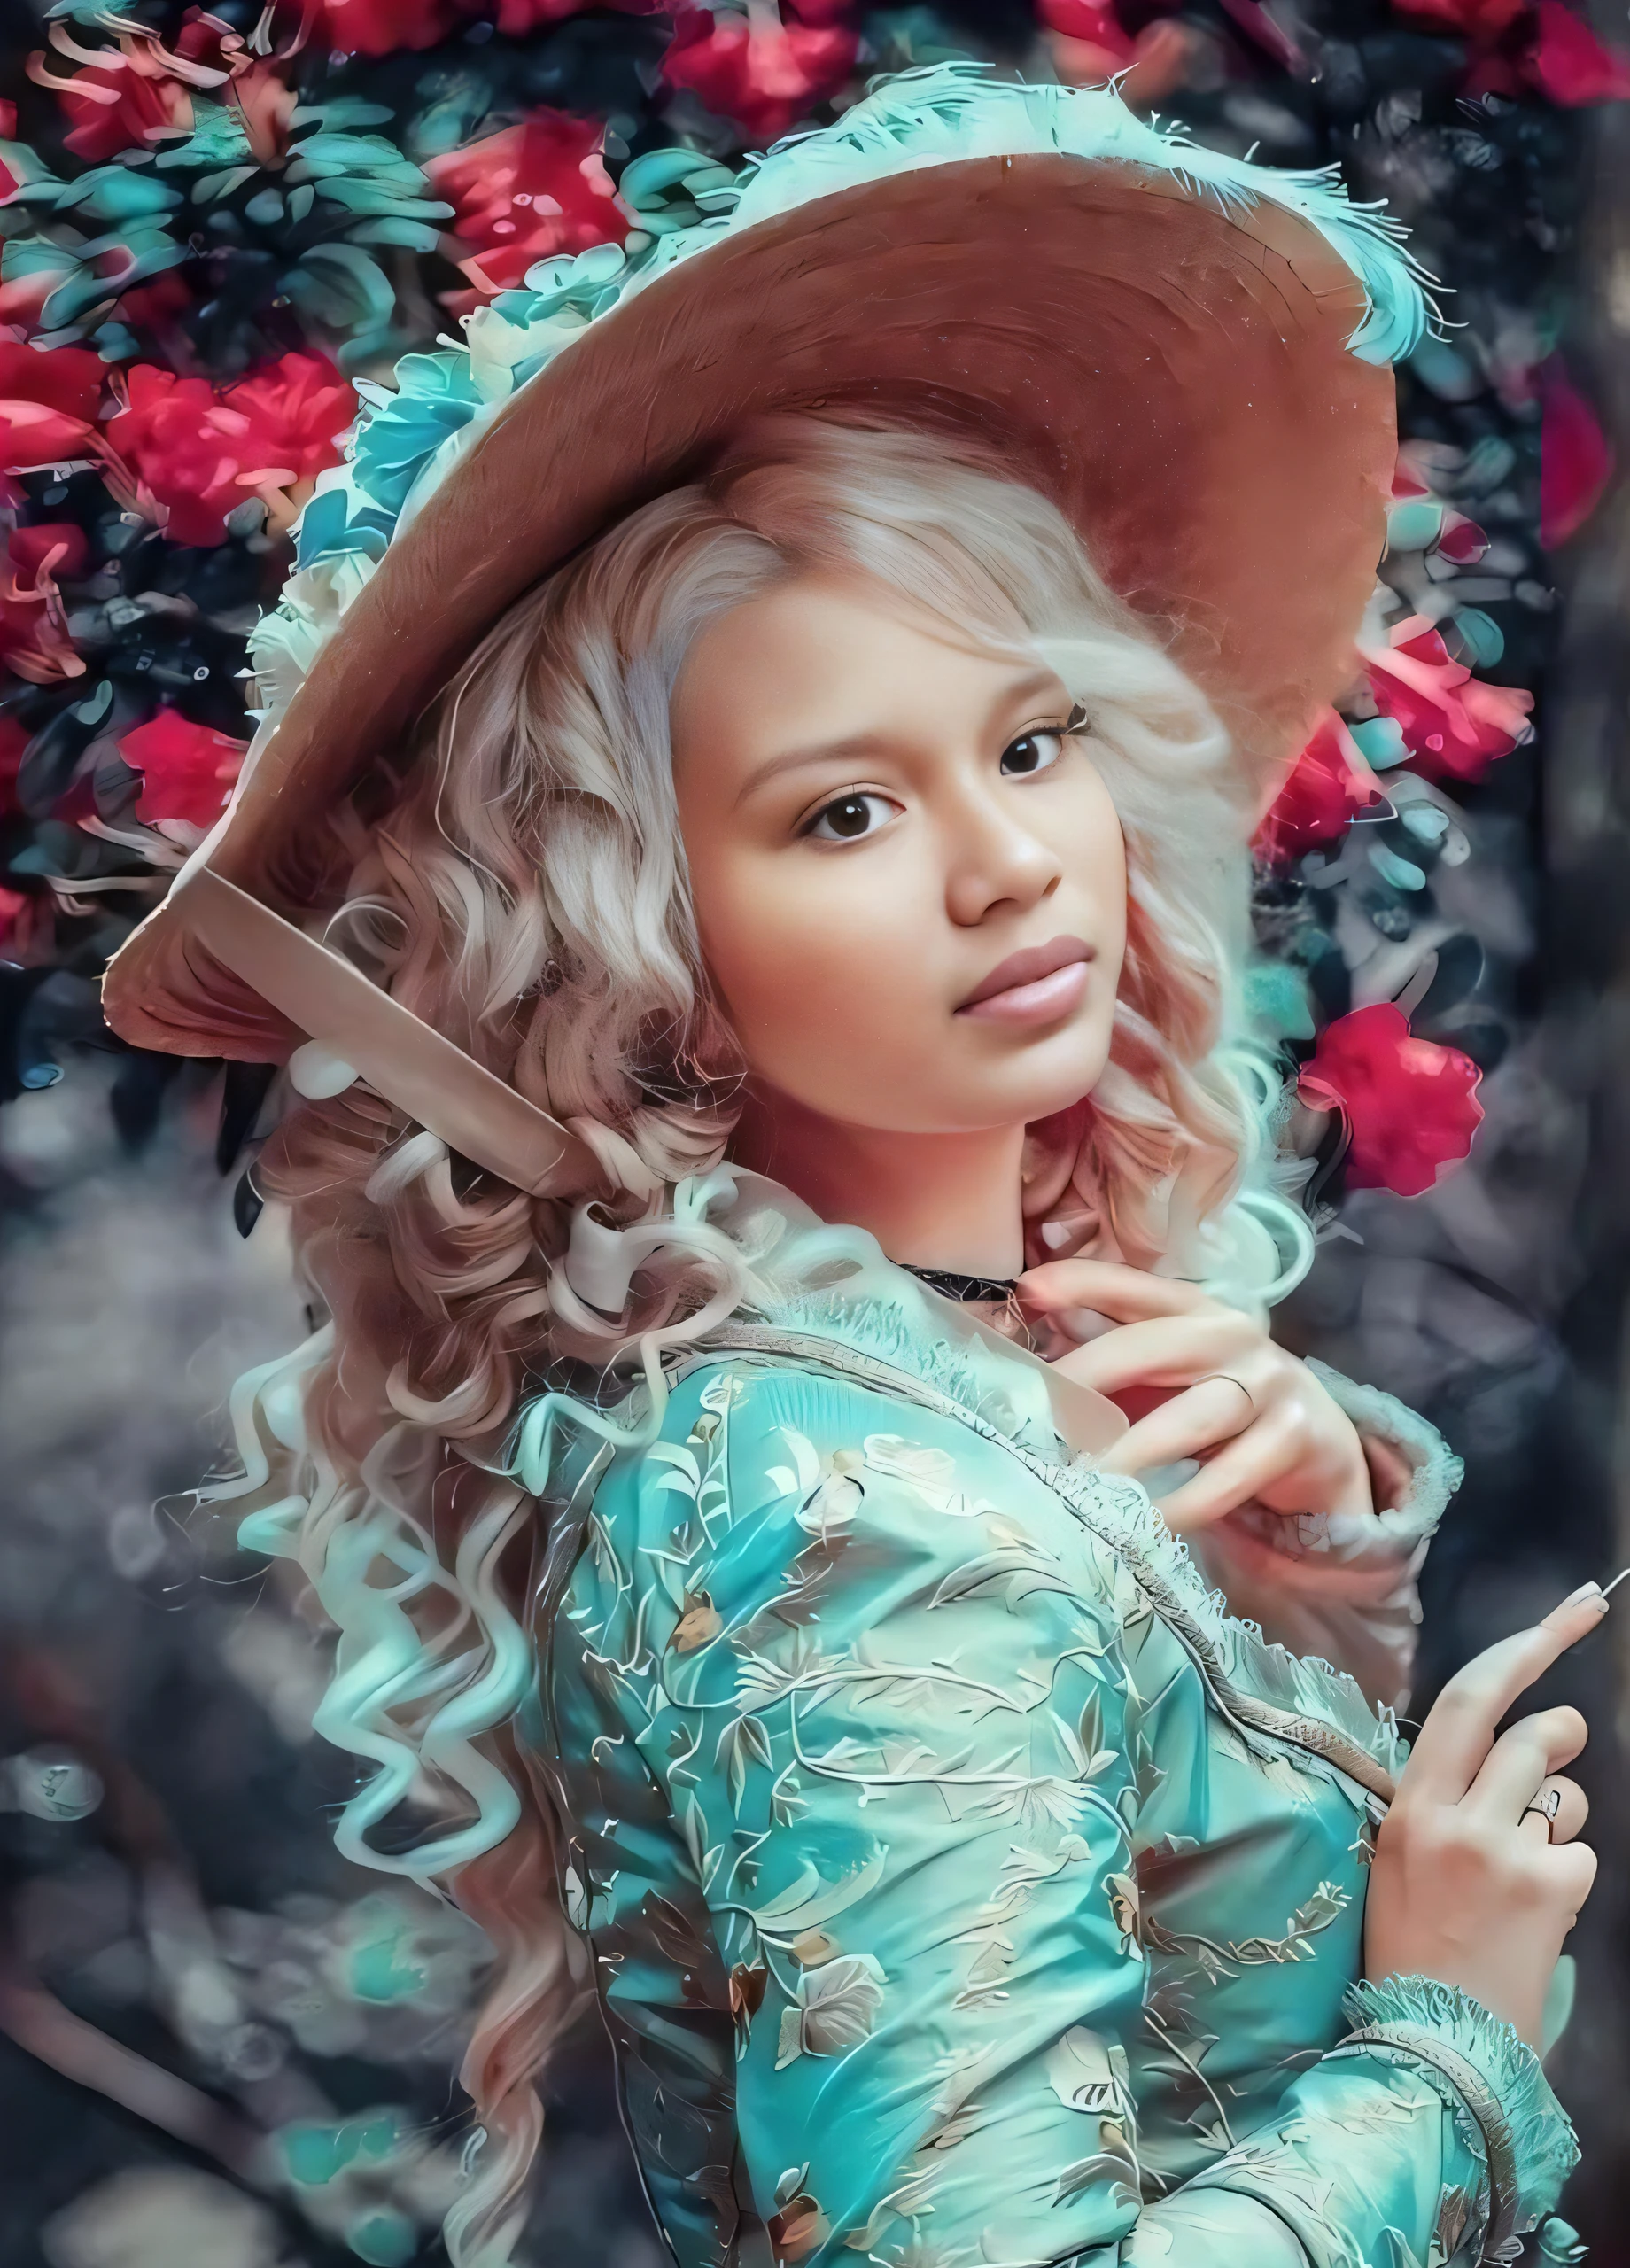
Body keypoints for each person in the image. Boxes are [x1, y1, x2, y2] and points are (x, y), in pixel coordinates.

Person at [103, 63, 1596, 2268]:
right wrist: (1444, 2042)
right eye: (844, 811)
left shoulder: (876, 1396)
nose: (1008, 863)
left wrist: (1297, 1584)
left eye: (1025, 740)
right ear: (653, 946)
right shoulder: (855, 1513)